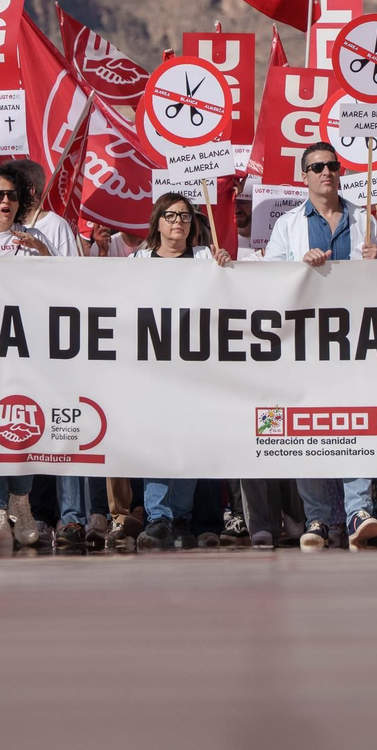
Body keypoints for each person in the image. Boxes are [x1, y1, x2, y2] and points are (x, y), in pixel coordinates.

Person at [264, 142, 377, 550]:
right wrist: (300, 266)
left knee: (357, 418)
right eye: (317, 167)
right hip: (306, 339)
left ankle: (357, 509)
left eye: (332, 165)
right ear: (305, 176)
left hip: (355, 337)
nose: (326, 172)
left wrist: (375, 261)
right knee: (305, 422)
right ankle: (318, 516)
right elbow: (270, 280)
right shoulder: (288, 225)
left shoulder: (365, 219)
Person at [0, 163, 71, 555]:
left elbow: (66, 287)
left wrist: (44, 254)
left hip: (27, 349)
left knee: (23, 420)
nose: (6, 202)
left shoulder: (33, 236)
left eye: (13, 195)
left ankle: (22, 496)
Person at [132, 193, 231, 551]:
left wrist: (226, 270)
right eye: (171, 215)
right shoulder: (138, 261)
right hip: (154, 368)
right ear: (157, 222)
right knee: (158, 440)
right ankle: (158, 517)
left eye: (186, 217)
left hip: (196, 368)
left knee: (188, 440)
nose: (178, 222)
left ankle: (182, 516)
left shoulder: (206, 258)